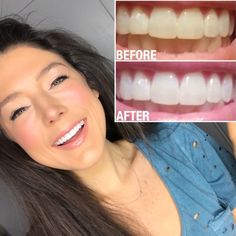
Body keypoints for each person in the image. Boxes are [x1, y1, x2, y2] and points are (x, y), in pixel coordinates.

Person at [0, 17, 235, 236]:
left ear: (89, 83)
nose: (51, 111)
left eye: (57, 80)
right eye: (19, 110)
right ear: (11, 139)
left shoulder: (177, 138)